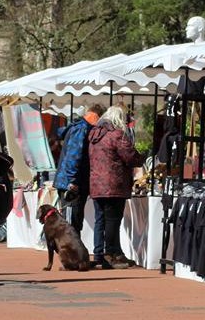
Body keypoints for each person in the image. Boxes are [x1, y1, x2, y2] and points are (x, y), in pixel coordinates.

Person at [88, 105, 145, 269]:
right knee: (113, 220)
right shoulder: (116, 135)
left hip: (96, 184)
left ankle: (101, 253)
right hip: (114, 185)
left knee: (101, 220)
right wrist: (142, 157)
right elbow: (130, 156)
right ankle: (111, 253)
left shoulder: (94, 135)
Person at [53, 103, 106, 266]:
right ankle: (73, 259)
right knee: (72, 223)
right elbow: (73, 157)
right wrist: (72, 181)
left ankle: (74, 258)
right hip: (73, 183)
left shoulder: (77, 127)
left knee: (72, 223)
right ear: (98, 116)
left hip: (70, 181)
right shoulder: (82, 129)